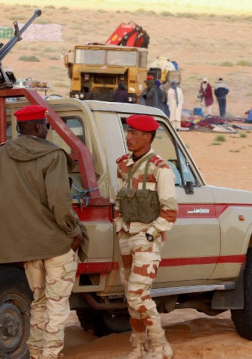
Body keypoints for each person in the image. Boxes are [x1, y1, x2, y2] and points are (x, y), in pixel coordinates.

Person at [0, 105, 84, 359]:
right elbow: (60, 202)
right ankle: (50, 355)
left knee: (38, 302)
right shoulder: (54, 156)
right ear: (39, 127)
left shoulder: (2, 154)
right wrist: (74, 230)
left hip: (25, 245)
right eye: (46, 125)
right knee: (58, 305)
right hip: (56, 243)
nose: (46, 129)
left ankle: (36, 353)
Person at [115, 114, 177, 359]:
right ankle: (137, 347)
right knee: (130, 296)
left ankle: (160, 346)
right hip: (126, 236)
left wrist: (151, 234)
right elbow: (119, 199)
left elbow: (170, 209)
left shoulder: (160, 168)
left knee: (136, 294)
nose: (128, 137)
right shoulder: (122, 164)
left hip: (146, 237)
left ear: (147, 137)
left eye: (133, 133)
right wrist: (120, 225)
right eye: (128, 132)